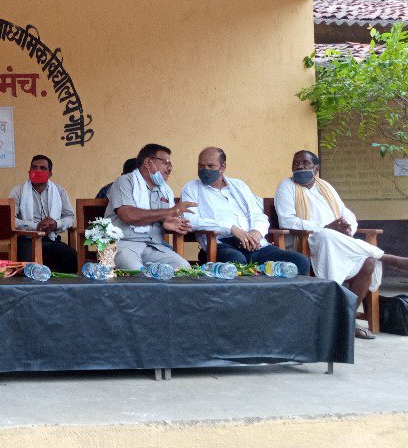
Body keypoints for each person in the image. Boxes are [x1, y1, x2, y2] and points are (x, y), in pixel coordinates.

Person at [275, 150, 408, 339]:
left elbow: (347, 214)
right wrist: (323, 227)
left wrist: (348, 229)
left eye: (305, 163)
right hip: (307, 242)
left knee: (368, 262)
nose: (299, 166)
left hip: (339, 244)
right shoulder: (286, 186)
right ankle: (387, 257)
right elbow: (286, 221)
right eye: (296, 163)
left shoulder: (326, 187)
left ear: (316, 168)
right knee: (326, 235)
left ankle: (348, 318)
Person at [181, 147, 310, 273]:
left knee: (301, 262)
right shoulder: (191, 188)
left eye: (210, 166)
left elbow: (258, 215)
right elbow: (190, 220)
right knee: (237, 262)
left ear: (223, 167)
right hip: (219, 245)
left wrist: (257, 232)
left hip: (254, 245)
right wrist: (231, 228)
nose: (205, 169)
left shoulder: (239, 186)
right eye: (201, 166)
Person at [105, 143, 193, 270]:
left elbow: (166, 216)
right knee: (136, 272)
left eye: (170, 164)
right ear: (148, 163)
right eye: (166, 163)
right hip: (124, 244)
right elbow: (128, 215)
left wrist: (168, 224)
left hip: (154, 247)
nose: (169, 168)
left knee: (183, 268)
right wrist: (169, 212)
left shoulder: (165, 191)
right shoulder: (125, 182)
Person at [8, 155, 78, 273]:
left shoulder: (59, 191)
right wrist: (35, 226)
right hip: (27, 240)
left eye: (42, 168)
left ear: (49, 174)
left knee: (74, 260)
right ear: (29, 171)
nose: (38, 171)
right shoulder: (18, 191)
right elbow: (10, 220)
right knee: (29, 268)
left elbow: (70, 217)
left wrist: (56, 224)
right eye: (34, 167)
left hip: (52, 239)